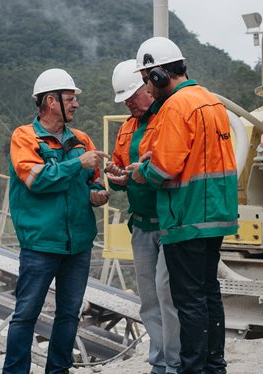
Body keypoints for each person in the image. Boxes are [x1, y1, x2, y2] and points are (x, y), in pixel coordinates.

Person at [128, 37, 238, 374]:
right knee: (209, 295)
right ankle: (214, 366)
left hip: (186, 217)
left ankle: (192, 368)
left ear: (159, 75)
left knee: (188, 300)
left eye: (148, 79)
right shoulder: (210, 101)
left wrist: (140, 170)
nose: (148, 87)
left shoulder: (175, 106)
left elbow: (163, 170)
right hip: (216, 215)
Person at [3, 68, 110, 374]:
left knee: (69, 314)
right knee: (26, 314)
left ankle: (58, 371)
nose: (76, 104)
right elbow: (37, 180)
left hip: (78, 243)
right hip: (40, 243)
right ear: (51, 101)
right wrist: (78, 164)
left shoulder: (82, 139)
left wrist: (98, 193)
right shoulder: (24, 137)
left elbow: (94, 182)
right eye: (70, 98)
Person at [104, 59, 180, 374]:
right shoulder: (126, 129)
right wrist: (116, 178)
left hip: (170, 223)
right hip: (142, 225)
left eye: (134, 97)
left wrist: (143, 173)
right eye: (126, 101)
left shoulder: (168, 120)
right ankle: (159, 363)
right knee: (149, 300)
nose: (131, 104)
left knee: (168, 295)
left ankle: (175, 362)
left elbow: (172, 167)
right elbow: (120, 172)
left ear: (148, 88)